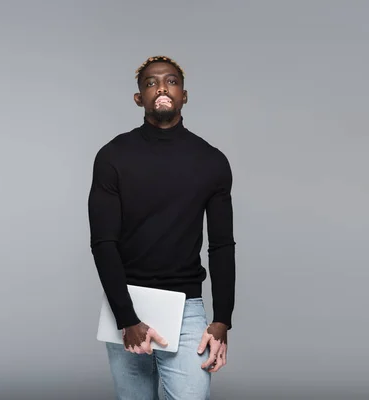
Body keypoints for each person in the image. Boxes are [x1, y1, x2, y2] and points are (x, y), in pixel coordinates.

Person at [87, 55, 236, 400]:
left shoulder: (212, 161)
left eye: (170, 81)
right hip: (127, 303)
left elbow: (222, 245)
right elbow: (103, 242)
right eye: (151, 83)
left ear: (184, 94)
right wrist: (127, 318)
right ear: (139, 98)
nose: (162, 88)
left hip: (187, 309)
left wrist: (222, 319)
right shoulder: (113, 156)